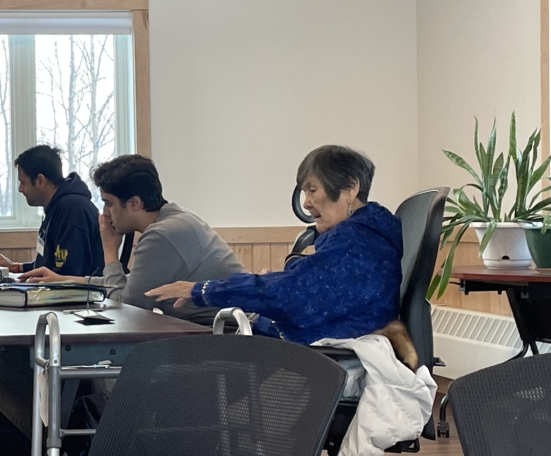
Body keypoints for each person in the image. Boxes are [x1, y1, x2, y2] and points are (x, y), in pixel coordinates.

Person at [147, 145, 403, 344]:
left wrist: (202, 291)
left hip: (314, 358)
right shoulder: (364, 239)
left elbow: (293, 295)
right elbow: (307, 289)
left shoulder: (357, 242)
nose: (306, 203)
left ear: (350, 188)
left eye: (312, 190)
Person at [21, 154, 244, 323]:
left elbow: (127, 308)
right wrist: (63, 280)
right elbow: (131, 288)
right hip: (217, 330)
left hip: (228, 335)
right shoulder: (173, 219)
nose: (104, 213)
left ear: (134, 203)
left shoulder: (163, 235)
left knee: (103, 363)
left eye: (108, 203)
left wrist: (110, 251)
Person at [0, 145, 104, 278]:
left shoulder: (72, 209)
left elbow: (68, 277)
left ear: (40, 180)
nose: (20, 189)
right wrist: (16, 267)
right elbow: (52, 266)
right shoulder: (57, 207)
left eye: (23, 182)